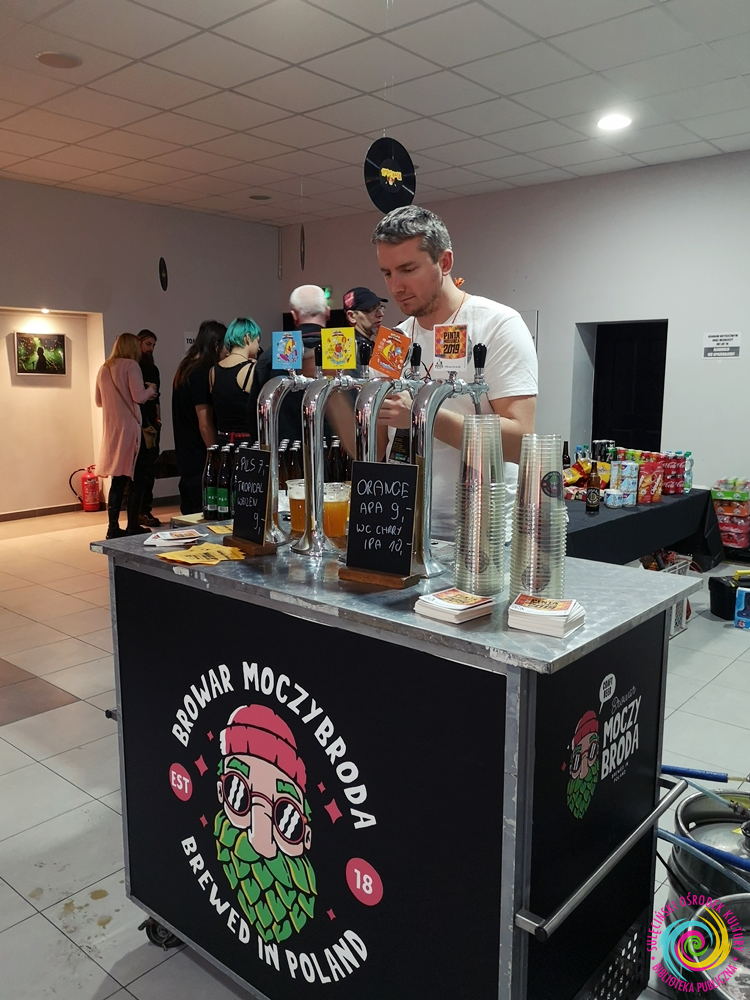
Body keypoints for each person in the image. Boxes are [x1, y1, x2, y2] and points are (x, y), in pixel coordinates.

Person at [372, 204, 538, 539]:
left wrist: (423, 416)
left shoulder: (498, 325)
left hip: (481, 535)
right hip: (402, 527)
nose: (395, 287)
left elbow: (520, 442)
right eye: (387, 273)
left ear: (445, 262)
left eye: (408, 269)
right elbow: (375, 447)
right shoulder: (392, 339)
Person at [248, 285, 330, 445]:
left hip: (284, 453)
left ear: (294, 315)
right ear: (327, 312)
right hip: (335, 454)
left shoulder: (271, 356)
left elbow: (254, 415)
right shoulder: (346, 352)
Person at [95, 332, 157, 539]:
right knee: (137, 478)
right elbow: (138, 397)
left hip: (112, 429)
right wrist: (150, 390)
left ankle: (113, 527)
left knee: (118, 479)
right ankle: (132, 524)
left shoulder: (104, 368)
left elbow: (98, 401)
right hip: (130, 429)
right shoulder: (131, 366)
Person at [172, 320, 225, 514]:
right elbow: (204, 422)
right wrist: (215, 456)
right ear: (216, 344)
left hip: (186, 452)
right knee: (201, 512)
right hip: (199, 455)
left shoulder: (185, 368)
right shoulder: (201, 372)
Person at [210, 317, 261, 443]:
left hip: (222, 442)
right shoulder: (252, 370)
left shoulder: (213, 371)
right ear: (247, 338)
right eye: (257, 341)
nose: (259, 347)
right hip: (246, 443)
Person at [137, 329, 162, 528]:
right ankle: (140, 510)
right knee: (141, 469)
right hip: (138, 422)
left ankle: (146, 508)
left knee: (150, 468)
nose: (150, 348)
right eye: (147, 344)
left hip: (152, 423)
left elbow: (157, 397)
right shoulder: (133, 367)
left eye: (153, 345)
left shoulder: (153, 369)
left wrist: (159, 419)